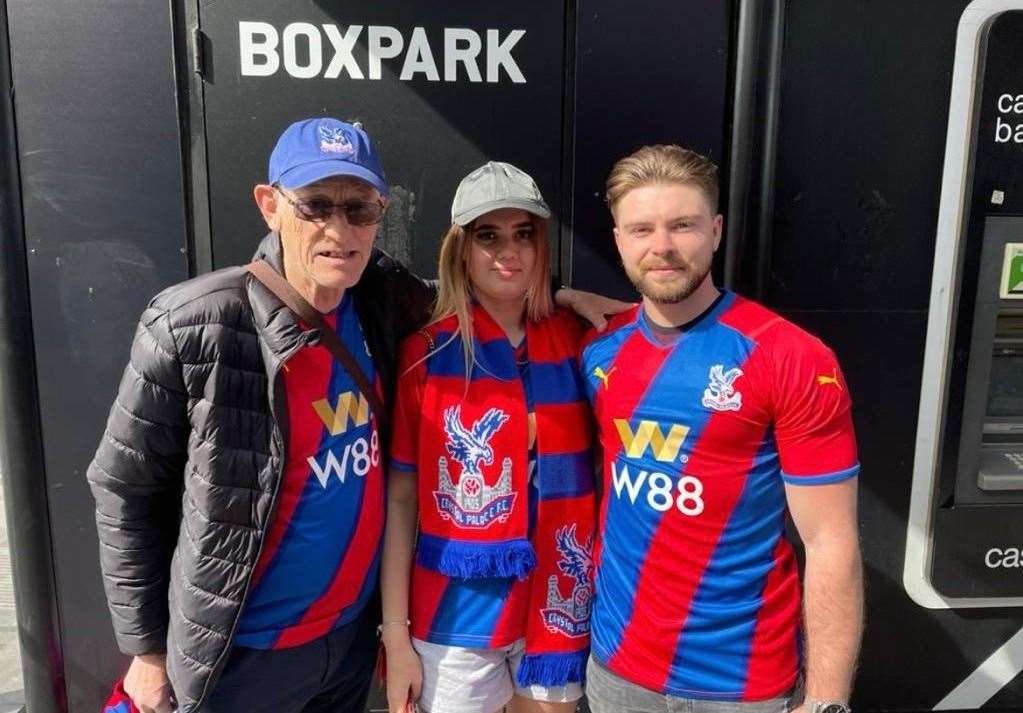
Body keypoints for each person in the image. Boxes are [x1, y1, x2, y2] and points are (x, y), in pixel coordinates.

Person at [86, 117, 622, 713]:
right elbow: (124, 489)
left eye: (359, 210)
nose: (339, 230)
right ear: (270, 205)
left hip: (346, 646)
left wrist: (570, 297)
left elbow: (495, 290)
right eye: (316, 206)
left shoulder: (383, 303)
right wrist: (147, 652)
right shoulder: (197, 322)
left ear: (380, 214)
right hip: (241, 651)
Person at [578, 145, 863, 713]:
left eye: (682, 225)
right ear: (619, 241)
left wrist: (827, 701)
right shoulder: (596, 349)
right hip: (615, 671)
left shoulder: (791, 357)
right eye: (642, 229)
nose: (661, 246)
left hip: (743, 686)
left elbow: (831, 543)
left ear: (715, 230)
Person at [380, 162, 596, 713]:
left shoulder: (579, 342)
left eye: (523, 233)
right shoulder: (426, 354)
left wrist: (574, 301)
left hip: (557, 604)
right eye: (488, 235)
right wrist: (396, 636)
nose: (509, 251)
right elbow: (401, 501)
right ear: (461, 249)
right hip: (455, 614)